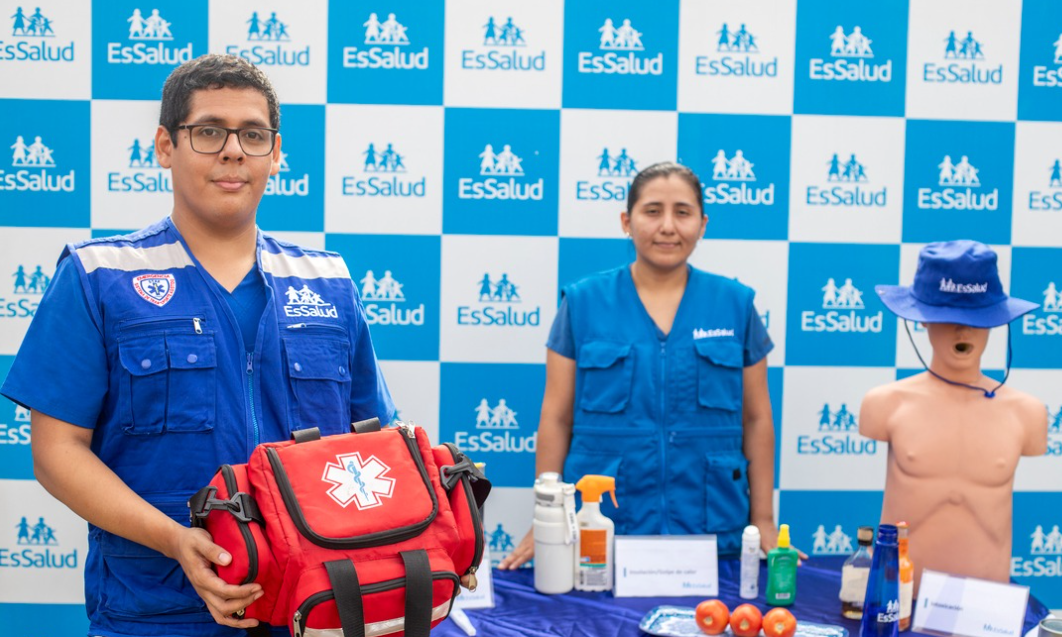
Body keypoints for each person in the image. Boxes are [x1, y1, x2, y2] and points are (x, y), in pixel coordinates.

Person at [1, 54, 395, 637]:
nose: (233, 150)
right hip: (156, 611)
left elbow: (376, 442)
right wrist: (177, 542)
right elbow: (57, 452)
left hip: (314, 608)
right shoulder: (98, 277)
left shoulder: (327, 282)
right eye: (209, 131)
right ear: (165, 146)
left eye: (253, 135)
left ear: (276, 153)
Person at [500, 162, 783, 569]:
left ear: (702, 224)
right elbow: (556, 417)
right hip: (602, 532)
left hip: (713, 534)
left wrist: (763, 520)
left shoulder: (735, 304)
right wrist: (546, 519)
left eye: (682, 212)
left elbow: (757, 419)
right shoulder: (583, 302)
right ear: (626, 221)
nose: (668, 226)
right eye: (652, 211)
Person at [860, 240, 1046, 590]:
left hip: (987, 608)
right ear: (923, 321)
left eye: (977, 318)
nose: (963, 331)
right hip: (901, 597)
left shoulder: (1027, 413)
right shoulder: (885, 403)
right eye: (948, 317)